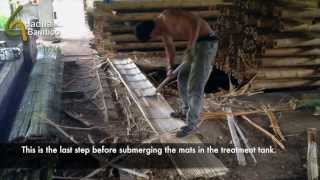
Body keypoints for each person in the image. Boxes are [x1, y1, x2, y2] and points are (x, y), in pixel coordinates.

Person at [135, 9, 219, 137]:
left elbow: (195, 22)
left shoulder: (167, 17)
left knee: (195, 86)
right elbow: (169, 48)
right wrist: (169, 67)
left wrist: (190, 46)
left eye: (152, 36)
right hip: (196, 44)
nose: (155, 37)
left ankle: (192, 125)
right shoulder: (162, 29)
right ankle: (185, 111)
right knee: (182, 77)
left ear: (152, 31)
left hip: (206, 42)